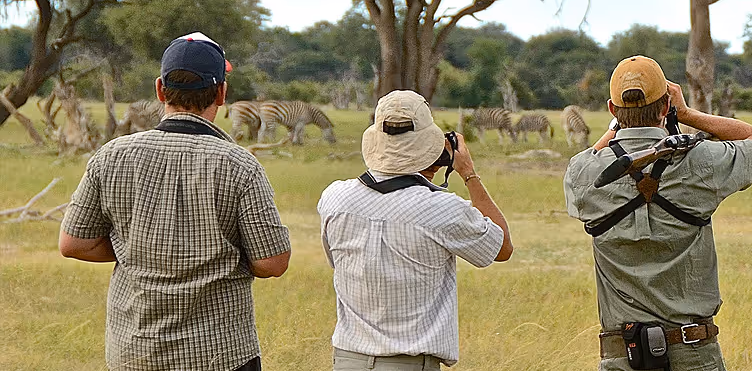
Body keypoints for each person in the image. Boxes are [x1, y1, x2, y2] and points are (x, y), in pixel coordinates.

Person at [60, 32, 291, 371]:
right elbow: (272, 263)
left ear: (160, 89)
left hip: (134, 352)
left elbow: (73, 244)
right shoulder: (240, 165)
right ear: (222, 93)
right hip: (220, 354)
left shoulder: (111, 156)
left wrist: (137, 249)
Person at [565, 56, 752, 371]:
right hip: (692, 352)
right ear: (667, 107)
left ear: (612, 110)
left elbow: (590, 157)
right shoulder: (700, 160)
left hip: (622, 355)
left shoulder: (583, 173)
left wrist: (618, 129)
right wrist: (688, 114)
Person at [318, 90, 513, 370]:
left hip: (347, 360)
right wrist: (468, 172)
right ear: (430, 145)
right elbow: (502, 246)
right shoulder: (442, 208)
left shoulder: (334, 198)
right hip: (408, 364)